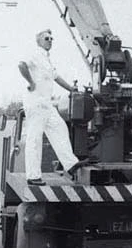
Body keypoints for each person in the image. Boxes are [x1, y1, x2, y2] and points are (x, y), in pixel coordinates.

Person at [18, 29, 89, 185]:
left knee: (59, 127)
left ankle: (70, 164)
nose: (50, 40)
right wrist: (31, 82)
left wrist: (72, 89)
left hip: (47, 104)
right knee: (35, 138)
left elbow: (56, 77)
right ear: (39, 41)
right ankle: (33, 176)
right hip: (36, 102)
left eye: (51, 38)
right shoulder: (35, 53)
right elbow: (21, 65)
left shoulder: (47, 59)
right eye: (46, 38)